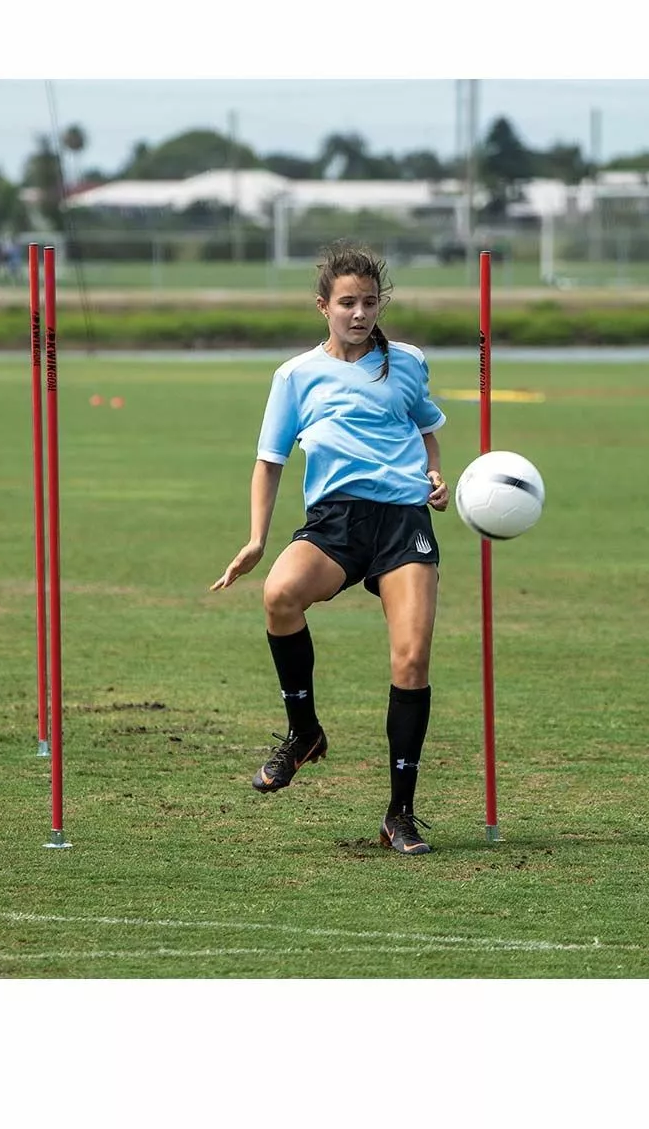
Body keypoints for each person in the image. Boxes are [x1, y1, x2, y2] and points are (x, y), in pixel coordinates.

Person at [211, 241, 450, 856]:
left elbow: (426, 427)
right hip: (336, 522)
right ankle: (304, 733)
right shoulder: (295, 375)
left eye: (370, 302)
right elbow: (270, 461)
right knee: (280, 595)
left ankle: (400, 815)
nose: (359, 313)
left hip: (403, 522)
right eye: (347, 302)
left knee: (411, 661)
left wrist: (435, 475)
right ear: (323, 306)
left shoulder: (409, 362)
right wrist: (258, 538)